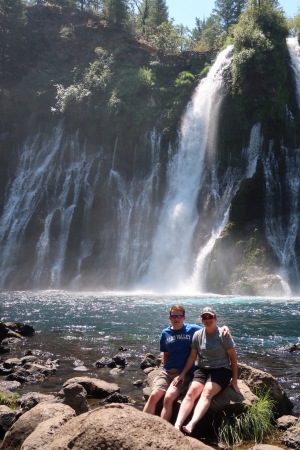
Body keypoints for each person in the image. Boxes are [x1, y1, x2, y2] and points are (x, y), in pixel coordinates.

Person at [143, 304, 230, 422]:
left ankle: (163, 430)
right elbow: (166, 354)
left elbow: (210, 326)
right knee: (153, 396)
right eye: (174, 316)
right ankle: (142, 424)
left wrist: (224, 327)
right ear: (169, 317)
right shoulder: (165, 333)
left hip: (184, 373)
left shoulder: (193, 329)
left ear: (184, 317)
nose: (176, 318)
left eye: (179, 316)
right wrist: (164, 368)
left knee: (168, 398)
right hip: (167, 372)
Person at [173, 306, 240, 434]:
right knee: (191, 392)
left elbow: (233, 358)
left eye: (210, 317)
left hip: (221, 370)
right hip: (202, 369)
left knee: (207, 392)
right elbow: (192, 357)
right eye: (205, 317)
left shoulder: (224, 335)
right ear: (202, 319)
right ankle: (177, 425)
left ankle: (191, 424)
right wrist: (182, 374)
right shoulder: (198, 335)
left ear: (215, 318)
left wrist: (235, 380)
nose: (207, 319)